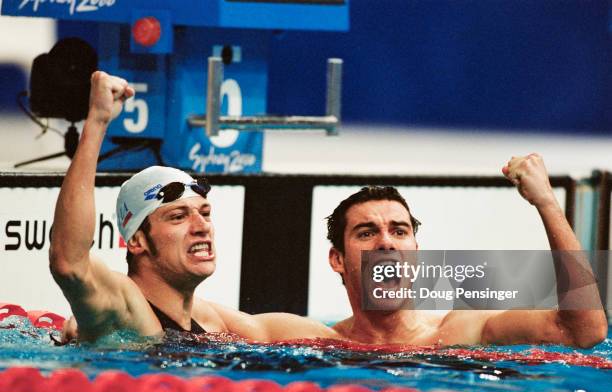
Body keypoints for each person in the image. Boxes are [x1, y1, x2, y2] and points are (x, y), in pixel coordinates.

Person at [51, 71, 337, 342]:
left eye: (205, 213)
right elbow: (69, 263)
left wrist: (370, 339)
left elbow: (271, 331)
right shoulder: (123, 306)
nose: (202, 227)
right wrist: (97, 121)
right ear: (137, 240)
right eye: (178, 217)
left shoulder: (207, 318)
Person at [326, 154, 608, 347]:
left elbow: (582, 332)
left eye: (399, 231)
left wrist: (547, 203)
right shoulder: (307, 336)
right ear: (337, 259)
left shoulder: (462, 331)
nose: (387, 243)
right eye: (367, 232)